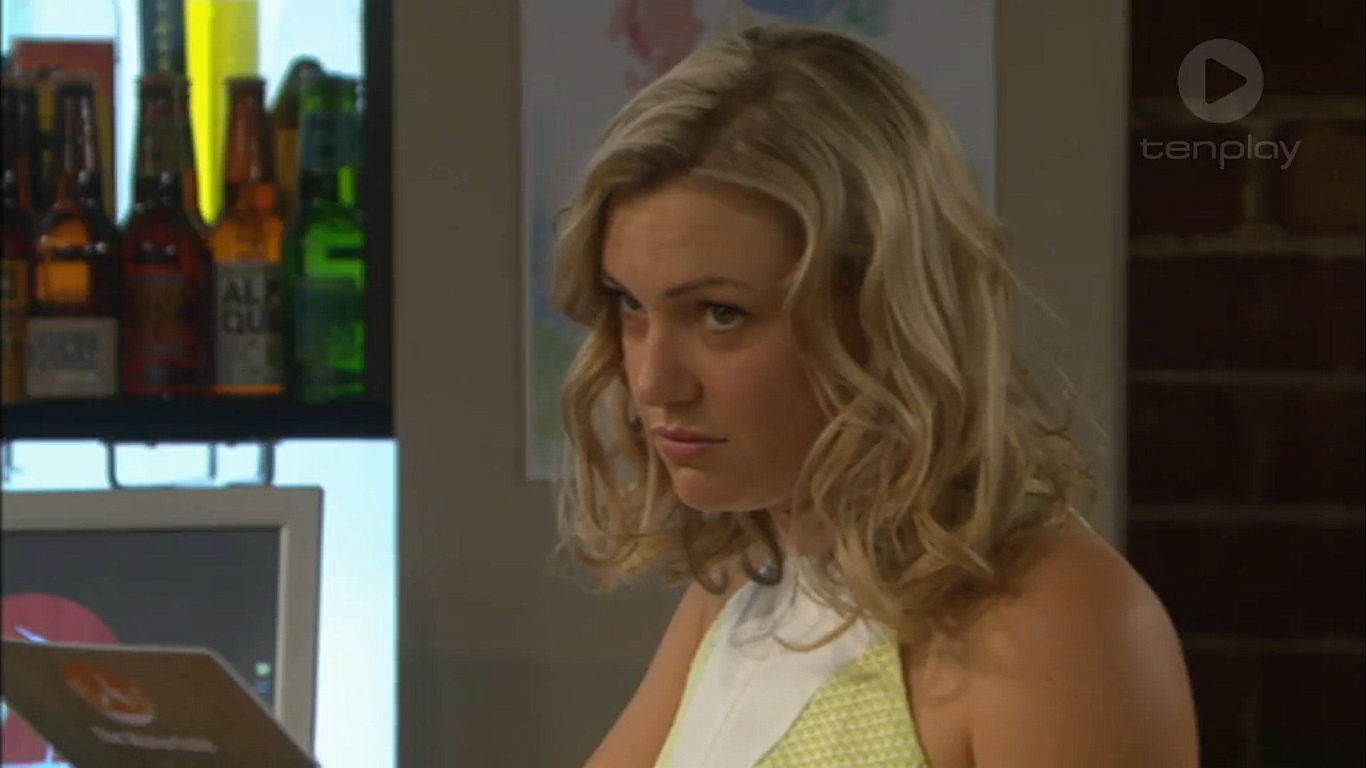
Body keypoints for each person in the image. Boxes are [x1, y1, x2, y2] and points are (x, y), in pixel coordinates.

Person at [550, 24, 1199, 768]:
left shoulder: (1052, 621)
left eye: (721, 314)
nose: (652, 381)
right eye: (631, 305)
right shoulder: (745, 583)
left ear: (888, 309)